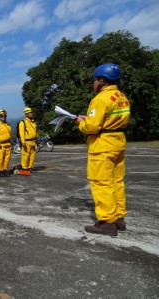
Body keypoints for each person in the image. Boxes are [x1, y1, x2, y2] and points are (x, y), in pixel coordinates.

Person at [74, 63, 130, 236]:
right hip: (117, 142)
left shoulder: (100, 99)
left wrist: (80, 122)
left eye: (94, 80)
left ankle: (106, 222)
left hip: (102, 146)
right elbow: (108, 120)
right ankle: (118, 217)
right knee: (116, 182)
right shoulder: (121, 97)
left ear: (101, 80)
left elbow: (91, 127)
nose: (93, 83)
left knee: (101, 183)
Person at [0, 109, 13, 177]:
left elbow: (10, 134)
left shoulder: (8, 124)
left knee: (7, 158)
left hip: (8, 144)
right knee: (0, 158)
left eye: (4, 116)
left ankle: (4, 170)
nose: (3, 117)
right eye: (1, 116)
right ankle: (0, 171)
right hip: (1, 145)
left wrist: (11, 141)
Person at [19, 107, 38, 175]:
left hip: (33, 141)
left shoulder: (33, 122)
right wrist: (23, 142)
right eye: (30, 112)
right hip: (26, 142)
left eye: (31, 112)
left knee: (32, 156)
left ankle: (30, 167)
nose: (32, 113)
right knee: (25, 155)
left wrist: (37, 139)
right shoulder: (23, 122)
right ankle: (24, 167)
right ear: (26, 114)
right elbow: (21, 133)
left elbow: (35, 131)